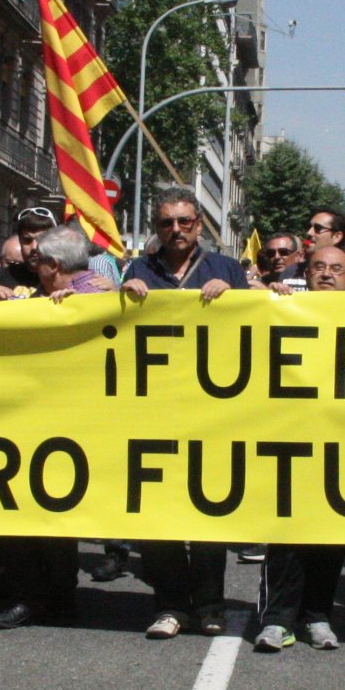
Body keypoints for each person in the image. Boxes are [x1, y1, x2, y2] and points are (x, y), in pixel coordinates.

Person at [0, 226, 119, 632]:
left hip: (65, 421)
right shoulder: (40, 295)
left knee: (44, 513)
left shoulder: (94, 294)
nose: (30, 263)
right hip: (34, 419)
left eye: (37, 258)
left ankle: (44, 597)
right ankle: (47, 595)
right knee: (33, 511)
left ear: (55, 265)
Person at [121, 188, 242, 637]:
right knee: (157, 513)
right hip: (154, 413)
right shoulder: (140, 269)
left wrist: (234, 297)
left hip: (212, 413)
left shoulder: (226, 269)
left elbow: (254, 328)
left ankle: (210, 606)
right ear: (157, 227)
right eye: (167, 223)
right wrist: (123, 293)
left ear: (199, 225)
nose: (176, 230)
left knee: (208, 512)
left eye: (185, 222)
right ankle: (170, 606)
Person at [252, 242, 345, 653]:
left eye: (335, 269)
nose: (325, 274)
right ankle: (276, 620)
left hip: (343, 440)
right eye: (317, 266)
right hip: (292, 437)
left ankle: (317, 616)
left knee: (331, 532)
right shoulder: (284, 306)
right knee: (286, 530)